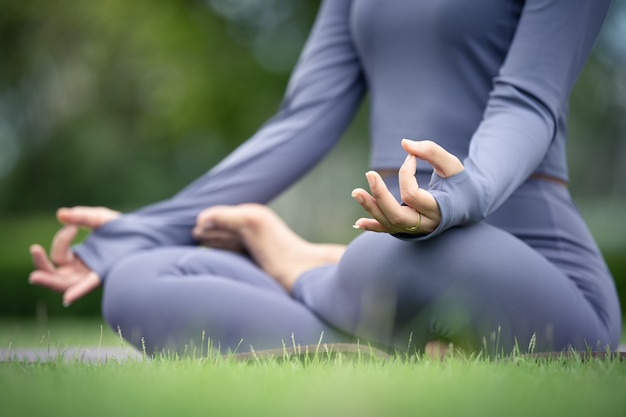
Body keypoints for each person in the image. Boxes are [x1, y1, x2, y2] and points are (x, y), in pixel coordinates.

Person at [29, 0, 621, 357]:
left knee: (383, 261)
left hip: (531, 272)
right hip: (391, 270)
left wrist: (457, 196)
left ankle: (302, 262)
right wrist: (144, 230)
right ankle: (383, 349)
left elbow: (527, 103)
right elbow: (303, 120)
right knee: (138, 282)